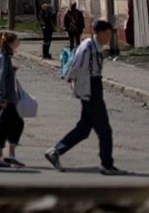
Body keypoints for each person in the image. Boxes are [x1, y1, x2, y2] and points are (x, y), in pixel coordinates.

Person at [44, 19, 126, 175]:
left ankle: (55, 152)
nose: (109, 37)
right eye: (108, 33)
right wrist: (75, 84)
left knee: (83, 129)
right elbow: (74, 66)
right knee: (104, 130)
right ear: (100, 33)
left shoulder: (97, 47)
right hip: (90, 88)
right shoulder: (87, 47)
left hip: (93, 85)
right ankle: (107, 165)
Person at [0, 31, 26, 168]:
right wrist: (1, 98)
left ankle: (2, 156)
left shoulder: (3, 56)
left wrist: (12, 71)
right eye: (16, 40)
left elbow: (2, 76)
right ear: (10, 43)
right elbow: (0, 79)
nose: (18, 43)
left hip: (3, 98)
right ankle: (7, 155)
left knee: (4, 126)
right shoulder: (3, 57)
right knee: (15, 124)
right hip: (4, 99)